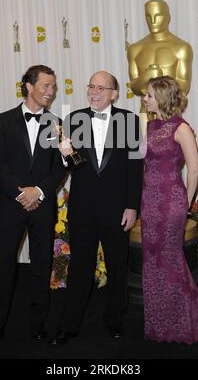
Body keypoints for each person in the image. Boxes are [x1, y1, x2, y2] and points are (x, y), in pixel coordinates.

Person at [0, 65, 67, 348]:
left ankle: (38, 324)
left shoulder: (56, 124)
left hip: (42, 205)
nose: (51, 92)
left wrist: (38, 192)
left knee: (41, 266)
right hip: (12, 206)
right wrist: (21, 194)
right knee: (4, 266)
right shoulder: (3, 121)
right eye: (46, 86)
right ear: (29, 85)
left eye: (53, 87)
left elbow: (59, 168)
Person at [50, 71, 142, 346]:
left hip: (118, 209)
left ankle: (115, 320)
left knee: (117, 266)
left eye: (102, 88)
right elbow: (71, 167)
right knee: (79, 267)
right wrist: (65, 155)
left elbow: (135, 168)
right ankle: (69, 325)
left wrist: (132, 206)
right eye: (91, 86)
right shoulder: (73, 119)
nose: (95, 92)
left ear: (114, 93)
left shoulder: (130, 121)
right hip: (83, 208)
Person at [141, 76, 198, 344]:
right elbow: (140, 161)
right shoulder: (150, 124)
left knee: (170, 260)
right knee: (152, 262)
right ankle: (161, 321)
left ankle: (184, 320)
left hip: (171, 202)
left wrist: (185, 203)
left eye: (150, 95)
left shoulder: (181, 128)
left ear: (163, 98)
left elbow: (195, 169)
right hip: (149, 202)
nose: (145, 99)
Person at [128, 0, 193, 102]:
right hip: (145, 111)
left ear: (168, 17)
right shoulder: (135, 49)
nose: (153, 21)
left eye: (158, 16)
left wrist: (160, 80)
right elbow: (134, 88)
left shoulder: (181, 47)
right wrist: (146, 76)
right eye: (148, 17)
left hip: (170, 111)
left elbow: (184, 87)